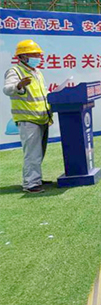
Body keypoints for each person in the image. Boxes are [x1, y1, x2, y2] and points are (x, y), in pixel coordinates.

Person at [3, 40, 53, 193]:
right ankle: (31, 184)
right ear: (22, 56)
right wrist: (18, 85)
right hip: (28, 119)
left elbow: (43, 93)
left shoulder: (37, 72)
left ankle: (36, 178)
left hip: (41, 117)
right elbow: (7, 89)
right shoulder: (15, 71)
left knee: (39, 152)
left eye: (38, 54)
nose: (38, 57)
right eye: (34, 54)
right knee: (32, 154)